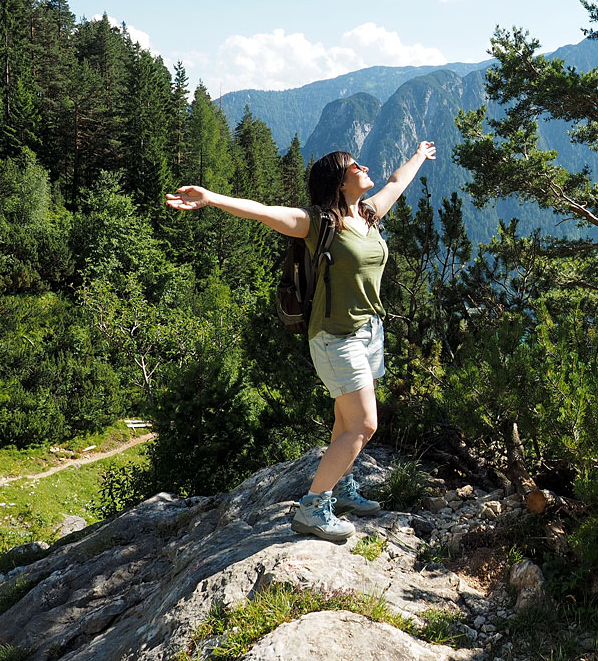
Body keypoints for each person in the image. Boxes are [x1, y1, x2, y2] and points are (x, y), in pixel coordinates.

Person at [164, 141, 437, 541]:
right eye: (352, 165)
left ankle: (341, 489)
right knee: (364, 423)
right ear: (338, 182)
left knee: (345, 420)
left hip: (368, 333)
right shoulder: (317, 222)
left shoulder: (368, 214)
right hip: (334, 337)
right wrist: (210, 198)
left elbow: (397, 181)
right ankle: (312, 507)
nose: (362, 165)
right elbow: (263, 211)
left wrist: (418, 154)